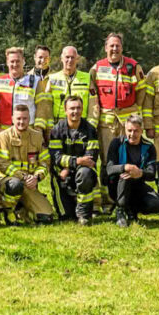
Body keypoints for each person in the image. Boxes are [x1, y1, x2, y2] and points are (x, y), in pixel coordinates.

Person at [0, 105, 54, 224]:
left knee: (46, 217)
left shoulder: (37, 137)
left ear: (29, 119)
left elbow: (45, 162)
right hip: (7, 181)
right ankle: (7, 209)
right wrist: (23, 177)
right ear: (12, 119)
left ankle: (21, 208)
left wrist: (37, 177)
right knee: (15, 185)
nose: (21, 122)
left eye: (25, 118)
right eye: (18, 118)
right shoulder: (3, 137)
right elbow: (2, 163)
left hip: (29, 184)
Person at [92, 33, 149, 157]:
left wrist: (136, 107)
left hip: (127, 122)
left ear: (122, 48)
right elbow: (92, 92)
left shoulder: (133, 66)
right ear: (106, 48)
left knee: (127, 156)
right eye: (111, 46)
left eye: (117, 46)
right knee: (107, 157)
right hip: (107, 122)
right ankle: (107, 177)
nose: (114, 49)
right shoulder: (97, 67)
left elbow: (142, 89)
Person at [49, 95, 102, 225]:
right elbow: (56, 157)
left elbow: (90, 158)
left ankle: (84, 215)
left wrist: (70, 164)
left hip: (82, 172)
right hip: (62, 175)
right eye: (72, 108)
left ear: (82, 109)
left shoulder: (90, 130)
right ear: (65, 110)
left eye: (78, 108)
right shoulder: (57, 130)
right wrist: (76, 162)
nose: (75, 111)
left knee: (85, 173)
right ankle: (72, 208)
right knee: (66, 217)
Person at [105, 114, 159, 227]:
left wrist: (140, 173)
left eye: (136, 131)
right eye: (129, 130)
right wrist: (125, 167)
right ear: (125, 129)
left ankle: (132, 210)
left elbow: (151, 174)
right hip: (117, 185)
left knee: (157, 204)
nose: (132, 134)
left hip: (138, 185)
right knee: (126, 175)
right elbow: (109, 169)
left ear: (142, 131)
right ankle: (120, 211)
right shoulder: (116, 143)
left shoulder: (149, 147)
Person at [0, 47, 49, 139]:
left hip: (28, 134)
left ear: (23, 61)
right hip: (4, 135)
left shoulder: (35, 82)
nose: (15, 64)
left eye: (18, 61)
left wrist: (38, 129)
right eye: (12, 61)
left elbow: (42, 108)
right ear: (7, 62)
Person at [47, 46, 97, 133]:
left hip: (82, 126)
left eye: (72, 57)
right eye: (67, 57)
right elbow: (47, 106)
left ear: (77, 59)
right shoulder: (52, 79)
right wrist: (50, 128)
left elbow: (94, 105)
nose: (70, 60)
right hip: (58, 126)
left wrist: (91, 126)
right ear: (61, 58)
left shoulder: (87, 78)